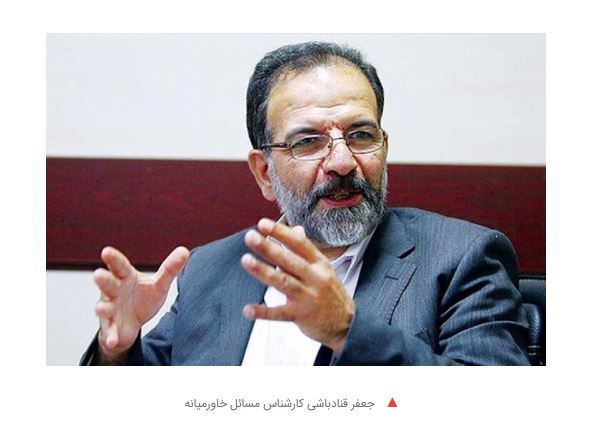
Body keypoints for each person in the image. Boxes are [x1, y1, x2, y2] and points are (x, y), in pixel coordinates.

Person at [81, 41, 530, 366]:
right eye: (308, 141)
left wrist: (347, 330)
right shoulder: (212, 269)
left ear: (384, 147)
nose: (342, 162)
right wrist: (117, 350)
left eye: (361, 135)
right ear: (264, 172)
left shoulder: (461, 258)